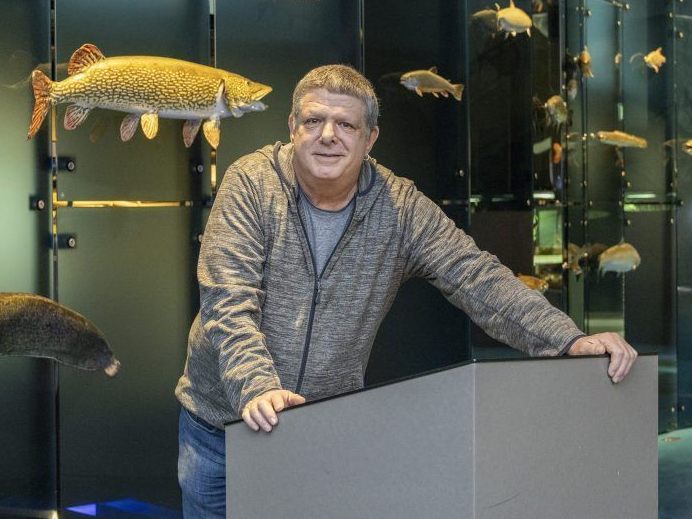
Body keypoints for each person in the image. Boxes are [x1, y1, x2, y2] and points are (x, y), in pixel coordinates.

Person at [175, 64, 637, 517]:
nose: (328, 135)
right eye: (314, 120)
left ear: (370, 138)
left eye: (346, 124)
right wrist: (257, 388)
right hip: (221, 427)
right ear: (292, 126)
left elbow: (478, 278)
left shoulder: (400, 207)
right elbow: (228, 300)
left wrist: (567, 339)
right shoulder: (250, 183)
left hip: (324, 429)